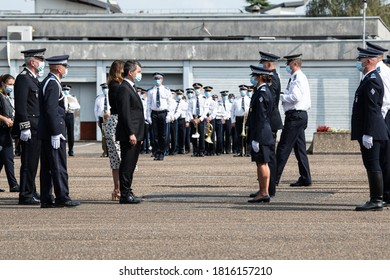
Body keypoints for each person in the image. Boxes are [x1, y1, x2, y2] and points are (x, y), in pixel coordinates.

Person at [38, 54, 80, 208]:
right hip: (53, 132)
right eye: (65, 66)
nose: (66, 69)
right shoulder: (52, 84)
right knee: (57, 165)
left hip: (48, 131)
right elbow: (51, 109)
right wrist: (56, 132)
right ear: (57, 67)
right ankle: (62, 196)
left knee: (48, 167)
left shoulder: (50, 82)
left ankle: (46, 198)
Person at [352, 47, 389, 211]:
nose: (359, 63)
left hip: (372, 131)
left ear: (368, 61)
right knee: (372, 164)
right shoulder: (368, 78)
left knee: (373, 164)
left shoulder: (372, 79)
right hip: (372, 129)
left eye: (361, 60)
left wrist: (368, 132)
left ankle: (376, 200)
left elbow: (373, 109)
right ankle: (376, 199)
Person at [13, 48, 46, 205]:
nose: (42, 64)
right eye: (41, 61)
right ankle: (25, 194)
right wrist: (24, 127)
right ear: (33, 62)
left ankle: (31, 189)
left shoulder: (33, 79)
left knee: (34, 161)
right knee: (28, 162)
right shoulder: (23, 79)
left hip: (37, 126)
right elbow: (20, 107)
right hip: (30, 127)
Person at [276, 53, 312, 187]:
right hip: (299, 116)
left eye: (289, 63)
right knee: (299, 148)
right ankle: (305, 177)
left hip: (295, 116)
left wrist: (282, 97)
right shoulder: (296, 77)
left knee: (283, 147)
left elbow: (295, 97)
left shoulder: (298, 77)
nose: (287, 66)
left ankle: (273, 179)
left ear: (295, 64)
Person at [251, 51, 283, 198]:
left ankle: (268, 190)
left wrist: (261, 130)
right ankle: (264, 188)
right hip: (265, 124)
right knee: (264, 159)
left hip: (267, 124)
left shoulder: (272, 80)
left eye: (262, 64)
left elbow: (268, 106)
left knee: (267, 158)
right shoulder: (266, 83)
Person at [116, 60, 144, 204]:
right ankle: (124, 194)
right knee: (127, 164)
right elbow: (125, 113)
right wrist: (131, 133)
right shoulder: (124, 88)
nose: (140, 74)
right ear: (130, 72)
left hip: (136, 132)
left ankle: (128, 190)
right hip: (129, 133)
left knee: (131, 164)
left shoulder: (131, 87)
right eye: (138, 72)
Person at [366, 42, 390, 205]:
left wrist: (377, 124)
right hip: (382, 118)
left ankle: (385, 195)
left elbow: (385, 101)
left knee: (384, 158)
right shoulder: (378, 71)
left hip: (384, 117)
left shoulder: (382, 72)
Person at [247, 65, 274, 203]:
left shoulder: (262, 92)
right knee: (262, 163)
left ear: (260, 77)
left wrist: (256, 137)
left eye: (255, 76)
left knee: (262, 163)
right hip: (262, 132)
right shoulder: (261, 90)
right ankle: (264, 191)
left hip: (261, 133)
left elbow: (261, 116)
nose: (253, 78)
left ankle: (264, 192)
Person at [105, 60, 124, 201]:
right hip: (119, 122)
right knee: (120, 158)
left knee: (115, 160)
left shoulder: (112, 85)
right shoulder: (118, 86)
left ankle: (117, 189)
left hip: (113, 122)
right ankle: (120, 189)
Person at [0, 74, 20, 193]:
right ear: (3, 83)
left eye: (13, 84)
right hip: (2, 131)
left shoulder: (6, 96)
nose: (11, 87)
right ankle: (13, 185)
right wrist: (5, 119)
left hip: (7, 130)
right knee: (9, 158)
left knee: (1, 160)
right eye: (10, 84)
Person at [146, 73, 172, 161]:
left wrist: (169, 114)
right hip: (154, 113)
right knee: (155, 135)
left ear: (162, 79)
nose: (157, 80)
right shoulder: (150, 91)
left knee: (163, 135)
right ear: (154, 80)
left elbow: (170, 103)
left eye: (159, 78)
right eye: (156, 78)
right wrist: (148, 116)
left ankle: (162, 152)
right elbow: (148, 104)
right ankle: (156, 152)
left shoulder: (166, 90)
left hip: (163, 113)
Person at [188, 83, 208, 157]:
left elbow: (206, 110)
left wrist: (200, 119)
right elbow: (189, 110)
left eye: (198, 88)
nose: (197, 90)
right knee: (193, 136)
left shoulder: (204, 98)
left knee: (202, 135)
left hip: (201, 118)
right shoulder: (191, 99)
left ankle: (201, 151)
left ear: (201, 89)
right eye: (195, 88)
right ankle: (195, 151)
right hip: (193, 118)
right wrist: (192, 119)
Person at [231, 85, 251, 157]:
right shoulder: (236, 100)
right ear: (239, 91)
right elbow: (232, 111)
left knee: (247, 135)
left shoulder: (249, 99)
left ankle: (247, 151)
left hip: (246, 118)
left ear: (246, 91)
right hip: (238, 118)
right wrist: (233, 121)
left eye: (244, 90)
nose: (242, 91)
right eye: (241, 90)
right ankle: (239, 151)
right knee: (239, 135)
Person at [62, 84, 80, 156]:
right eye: (64, 89)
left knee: (70, 133)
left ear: (69, 90)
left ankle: (71, 149)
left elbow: (78, 106)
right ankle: (62, 149)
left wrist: (71, 106)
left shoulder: (72, 97)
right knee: (62, 133)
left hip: (70, 114)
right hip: (62, 115)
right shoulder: (60, 96)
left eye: (67, 90)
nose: (66, 91)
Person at [94, 83, 110, 157]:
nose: (105, 90)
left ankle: (111, 151)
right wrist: (97, 119)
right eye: (103, 88)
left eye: (106, 88)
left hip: (110, 118)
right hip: (101, 118)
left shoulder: (112, 96)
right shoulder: (99, 98)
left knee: (111, 135)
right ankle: (105, 151)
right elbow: (95, 110)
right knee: (104, 136)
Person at [204, 86, 217, 156]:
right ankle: (205, 150)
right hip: (205, 119)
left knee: (211, 135)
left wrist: (210, 118)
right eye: (206, 91)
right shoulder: (203, 100)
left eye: (209, 91)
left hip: (211, 119)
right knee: (205, 135)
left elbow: (215, 111)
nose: (207, 93)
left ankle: (212, 150)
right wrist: (205, 117)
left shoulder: (213, 102)